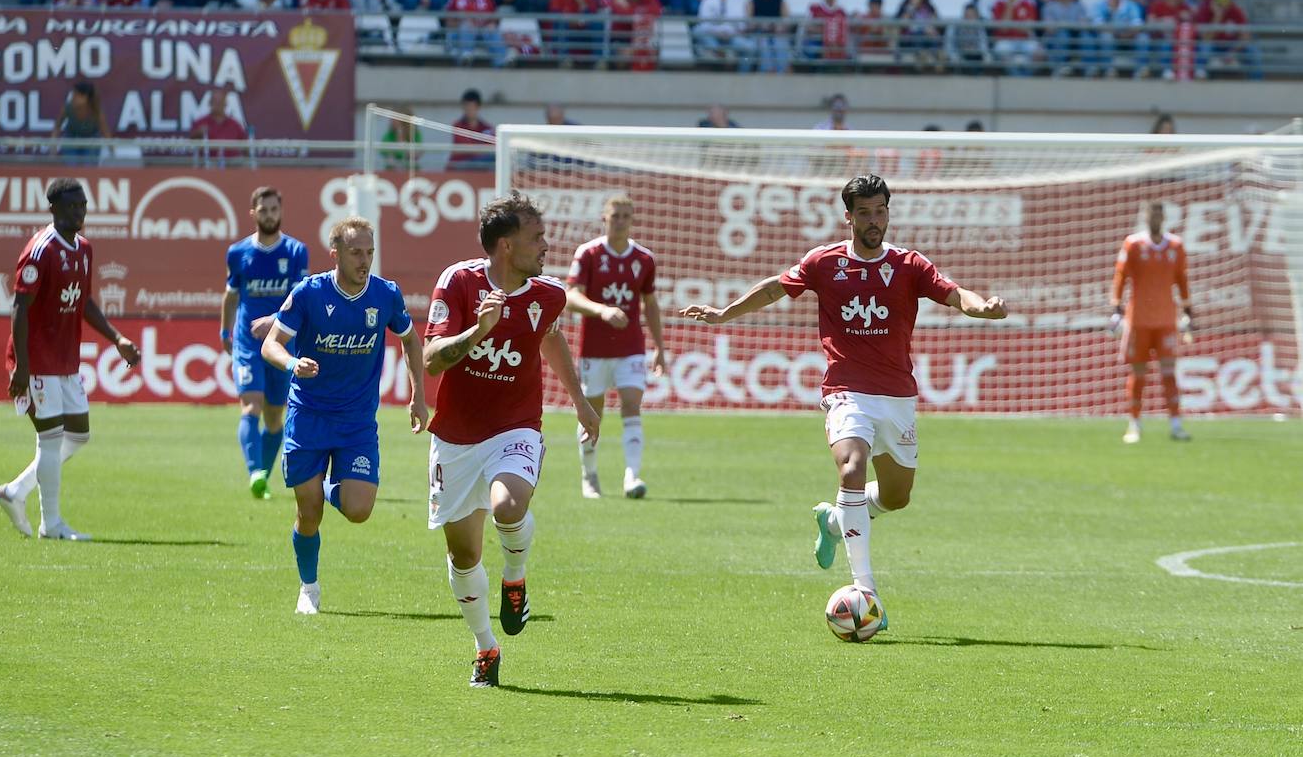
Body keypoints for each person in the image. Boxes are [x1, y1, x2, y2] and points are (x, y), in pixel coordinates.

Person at [679, 174, 1007, 620]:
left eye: (881, 211)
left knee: (897, 498)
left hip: (897, 398)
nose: (875, 221)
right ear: (848, 217)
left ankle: (834, 522)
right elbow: (776, 287)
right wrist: (725, 314)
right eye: (865, 213)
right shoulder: (824, 262)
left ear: (889, 212)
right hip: (846, 391)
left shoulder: (909, 264)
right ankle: (865, 591)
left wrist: (982, 307)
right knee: (852, 468)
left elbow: (954, 295)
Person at [423, 191, 600, 687]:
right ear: (506, 246)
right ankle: (486, 648)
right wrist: (478, 332)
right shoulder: (458, 282)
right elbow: (433, 358)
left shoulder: (547, 294)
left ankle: (515, 577)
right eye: (537, 237)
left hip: (516, 425)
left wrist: (580, 400)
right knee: (462, 556)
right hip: (456, 436)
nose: (546, 245)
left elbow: (550, 336)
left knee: (507, 504)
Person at [261, 216, 429, 614]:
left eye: (370, 252)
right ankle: (309, 587)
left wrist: (419, 394)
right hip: (308, 415)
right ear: (335, 253)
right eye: (356, 252)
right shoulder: (309, 293)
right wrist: (292, 363)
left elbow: (410, 339)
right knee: (309, 513)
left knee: (359, 510)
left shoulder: (386, 295)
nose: (364, 260)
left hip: (355, 422)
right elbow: (272, 343)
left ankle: (329, 483)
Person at [0, 179, 142, 541]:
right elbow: (19, 309)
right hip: (37, 361)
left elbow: (84, 301)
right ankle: (52, 524)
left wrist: (117, 338)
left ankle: (15, 492)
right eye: (73, 206)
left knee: (79, 435)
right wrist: (23, 368)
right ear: (54, 209)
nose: (80, 212)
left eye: (83, 206)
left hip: (65, 360)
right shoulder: (39, 251)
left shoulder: (84, 249)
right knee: (51, 438)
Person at [564, 196, 666, 499]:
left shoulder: (644, 259)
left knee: (632, 405)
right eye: (615, 215)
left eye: (625, 216)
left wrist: (659, 346)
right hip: (594, 349)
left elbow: (650, 304)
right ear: (604, 218)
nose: (620, 221)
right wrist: (602, 310)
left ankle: (632, 476)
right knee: (593, 414)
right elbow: (570, 296)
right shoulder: (589, 254)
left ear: (632, 220)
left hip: (631, 347)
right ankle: (589, 475)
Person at [221, 187, 310, 498]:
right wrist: (224, 331)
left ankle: (262, 477)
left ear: (280, 211)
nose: (269, 214)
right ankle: (254, 472)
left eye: (274, 209)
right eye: (263, 209)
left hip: (280, 344)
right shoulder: (238, 253)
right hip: (247, 343)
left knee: (275, 417)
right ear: (253, 213)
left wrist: (274, 319)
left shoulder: (297, 251)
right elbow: (231, 296)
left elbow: (299, 299)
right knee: (251, 405)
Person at [1109, 200, 1191, 443]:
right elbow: (1120, 277)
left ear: (1163, 217)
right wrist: (1116, 307)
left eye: (1158, 215)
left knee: (1169, 373)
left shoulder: (1176, 246)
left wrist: (1188, 311)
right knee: (1139, 374)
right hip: (1138, 321)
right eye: (1150, 215)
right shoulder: (1133, 244)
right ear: (1145, 217)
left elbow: (1182, 280)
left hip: (1166, 320)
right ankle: (1134, 424)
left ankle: (1176, 424)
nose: (1154, 219)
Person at [51, 81, 111, 165]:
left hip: (91, 140)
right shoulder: (68, 108)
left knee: (88, 168)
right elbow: (57, 126)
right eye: (73, 95)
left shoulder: (97, 112)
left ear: (86, 98)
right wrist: (53, 146)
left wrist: (112, 152)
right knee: (71, 167)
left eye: (76, 95)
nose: (73, 98)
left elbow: (105, 132)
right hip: (71, 138)